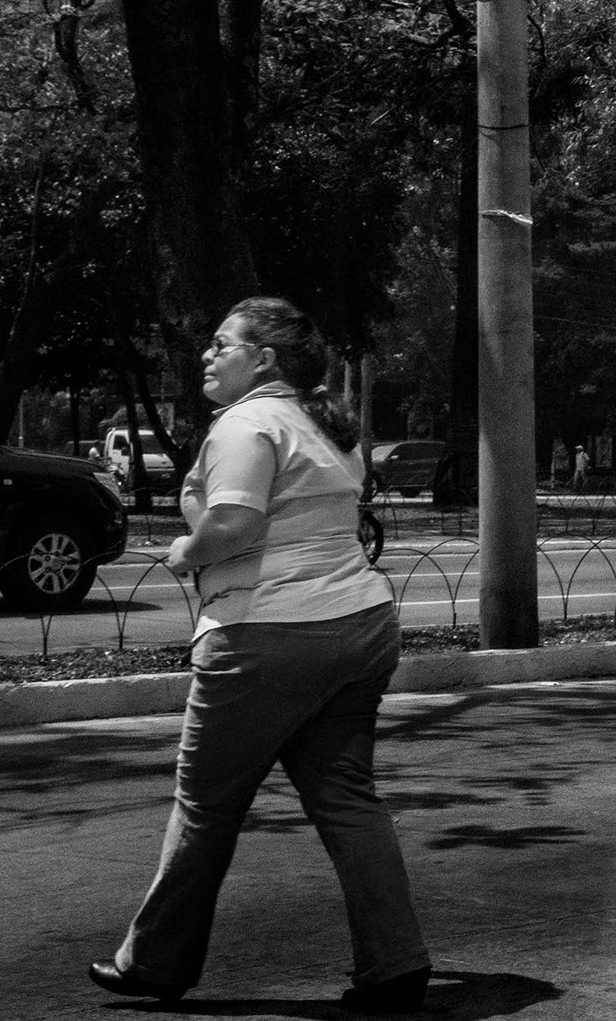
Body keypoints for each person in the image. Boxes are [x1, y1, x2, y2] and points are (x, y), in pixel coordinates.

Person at [91, 297, 431, 1013]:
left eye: (223, 344)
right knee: (346, 797)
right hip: (360, 624)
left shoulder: (246, 423)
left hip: (266, 634)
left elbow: (236, 525)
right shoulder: (325, 424)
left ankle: (154, 961)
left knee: (205, 804)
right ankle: (396, 964)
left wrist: (185, 551)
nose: (207, 355)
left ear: (264, 358)